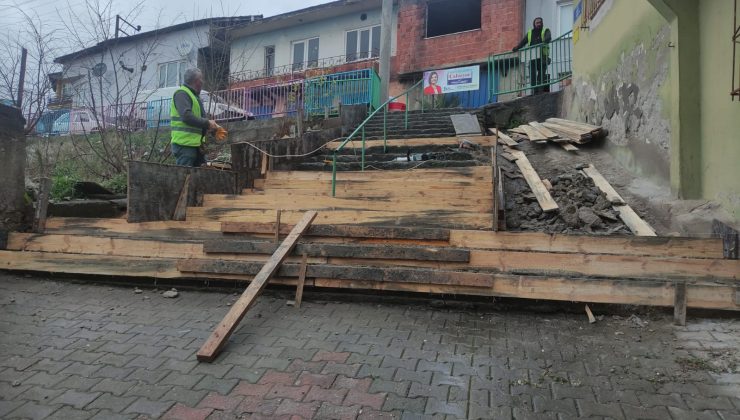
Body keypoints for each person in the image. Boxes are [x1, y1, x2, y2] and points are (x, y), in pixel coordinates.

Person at [170, 68, 220, 167]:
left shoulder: (194, 96)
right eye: (201, 79)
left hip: (196, 146)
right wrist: (207, 123)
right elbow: (187, 117)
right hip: (184, 146)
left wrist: (213, 127)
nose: (203, 82)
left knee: (199, 177)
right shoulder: (182, 94)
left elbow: (198, 119)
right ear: (197, 81)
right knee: (184, 178)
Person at [512, 17, 551, 95]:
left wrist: (545, 40)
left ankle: (540, 92)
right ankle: (534, 92)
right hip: (532, 57)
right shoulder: (530, 32)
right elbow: (523, 42)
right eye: (537, 23)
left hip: (543, 57)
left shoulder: (546, 30)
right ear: (534, 24)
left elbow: (548, 37)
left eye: (540, 22)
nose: (539, 24)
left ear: (542, 23)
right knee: (532, 75)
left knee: (541, 75)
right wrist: (516, 48)